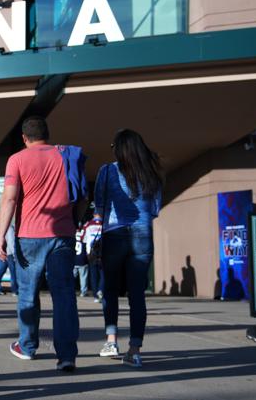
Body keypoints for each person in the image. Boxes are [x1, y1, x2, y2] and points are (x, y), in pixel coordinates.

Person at [0, 117, 84, 371]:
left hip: (29, 235)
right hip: (62, 236)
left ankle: (28, 346)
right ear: (47, 134)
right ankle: (67, 356)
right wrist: (72, 222)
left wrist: (1, 237)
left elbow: (10, 200)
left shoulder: (17, 159)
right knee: (64, 295)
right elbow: (81, 197)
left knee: (28, 295)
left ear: (24, 137)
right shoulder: (66, 156)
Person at [94, 129, 163, 368]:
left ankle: (111, 340)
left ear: (119, 149)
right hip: (143, 235)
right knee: (137, 295)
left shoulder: (107, 170)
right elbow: (155, 209)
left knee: (110, 290)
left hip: (114, 234)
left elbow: (99, 209)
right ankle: (134, 350)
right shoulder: (151, 172)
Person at [82, 213, 103, 300]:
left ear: (94, 214)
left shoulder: (88, 224)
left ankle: (96, 296)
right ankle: (101, 289)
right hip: (103, 252)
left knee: (94, 275)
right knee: (103, 274)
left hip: (91, 252)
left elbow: (83, 239)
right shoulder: (106, 223)